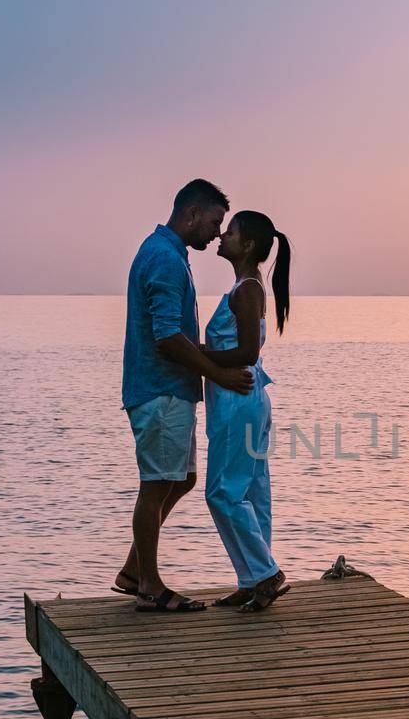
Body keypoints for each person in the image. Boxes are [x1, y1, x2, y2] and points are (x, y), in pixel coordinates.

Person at [115, 179, 254, 613]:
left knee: (182, 479)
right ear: (192, 213)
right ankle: (149, 587)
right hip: (159, 391)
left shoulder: (169, 254)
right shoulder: (164, 259)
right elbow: (168, 337)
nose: (216, 233)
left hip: (170, 390)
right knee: (155, 486)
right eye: (214, 222)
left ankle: (134, 570)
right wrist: (219, 375)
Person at [199, 210, 291, 612]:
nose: (222, 235)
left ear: (248, 245)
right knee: (252, 491)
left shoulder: (248, 289)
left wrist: (197, 354)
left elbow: (249, 353)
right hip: (244, 400)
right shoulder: (245, 285)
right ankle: (252, 579)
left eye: (231, 231)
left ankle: (266, 574)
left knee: (222, 491)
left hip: (239, 401)